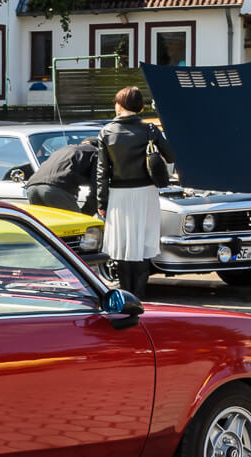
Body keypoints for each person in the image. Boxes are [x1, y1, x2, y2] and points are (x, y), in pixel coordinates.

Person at [95, 86, 174, 298]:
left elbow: (102, 172)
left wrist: (101, 203)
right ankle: (140, 293)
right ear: (139, 107)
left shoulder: (106, 132)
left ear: (119, 106)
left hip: (119, 194)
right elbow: (171, 156)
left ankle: (124, 294)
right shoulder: (149, 130)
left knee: (121, 245)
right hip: (146, 192)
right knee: (142, 243)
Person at [26, 138, 100, 217]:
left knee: (44, 226)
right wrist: (86, 215)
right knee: (75, 225)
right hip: (55, 190)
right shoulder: (95, 152)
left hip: (32, 187)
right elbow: (97, 186)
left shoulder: (63, 149)